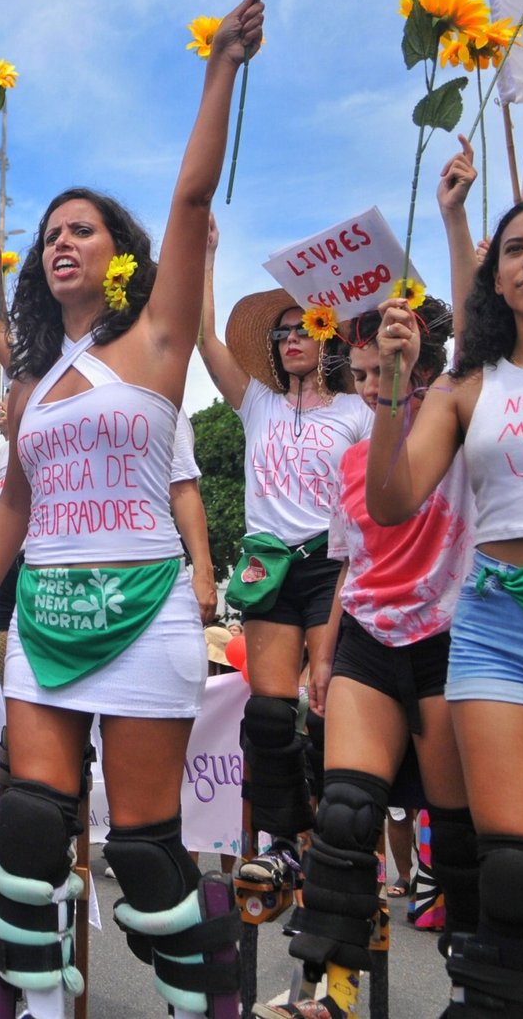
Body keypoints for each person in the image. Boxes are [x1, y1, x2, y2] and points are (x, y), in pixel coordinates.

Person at [0, 0, 263, 1019]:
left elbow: (190, 198)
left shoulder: (158, 342)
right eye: (50, 233)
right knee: (29, 829)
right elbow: (14, 496)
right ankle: (42, 1009)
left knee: (141, 847)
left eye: (80, 229)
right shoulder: (30, 383)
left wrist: (219, 68)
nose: (61, 242)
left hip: (145, 611)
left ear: (115, 249)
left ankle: (197, 1005)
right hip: (44, 611)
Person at [367, 194, 523, 1016]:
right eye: (514, 249)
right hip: (500, 627)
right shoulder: (467, 384)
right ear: (494, 279)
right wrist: (392, 384)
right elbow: (391, 500)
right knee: (515, 874)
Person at [265, 300, 476, 1016]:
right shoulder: (352, 459)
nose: (367, 386)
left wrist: (459, 243)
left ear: (425, 365)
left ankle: (470, 991)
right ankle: (331, 993)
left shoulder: (458, 430)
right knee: (346, 816)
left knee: (458, 839)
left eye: (381, 371)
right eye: (356, 374)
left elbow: (479, 353)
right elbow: (347, 564)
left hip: (445, 641)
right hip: (366, 638)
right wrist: (324, 657)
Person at [196, 220, 372, 886]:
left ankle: (336, 843)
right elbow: (204, 338)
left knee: (325, 712)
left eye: (305, 328)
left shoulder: (356, 412)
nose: (292, 338)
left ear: (328, 337)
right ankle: (284, 842)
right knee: (269, 716)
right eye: (281, 333)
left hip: (332, 565)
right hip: (268, 565)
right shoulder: (257, 404)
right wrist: (208, 255)